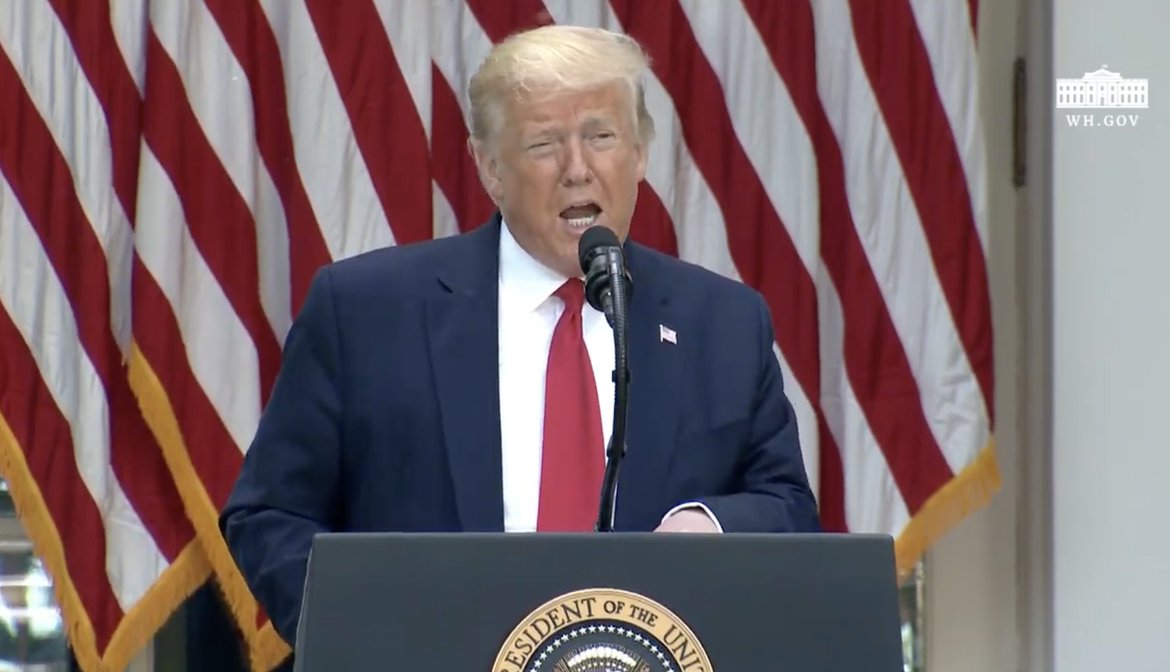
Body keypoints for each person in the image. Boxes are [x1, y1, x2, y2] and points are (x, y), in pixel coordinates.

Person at [219, 23, 820, 650]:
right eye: (543, 144)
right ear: (490, 168)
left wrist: (709, 526)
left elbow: (787, 508)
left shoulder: (721, 324)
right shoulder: (366, 314)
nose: (577, 170)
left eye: (602, 136)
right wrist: (370, 641)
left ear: (640, 152)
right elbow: (270, 516)